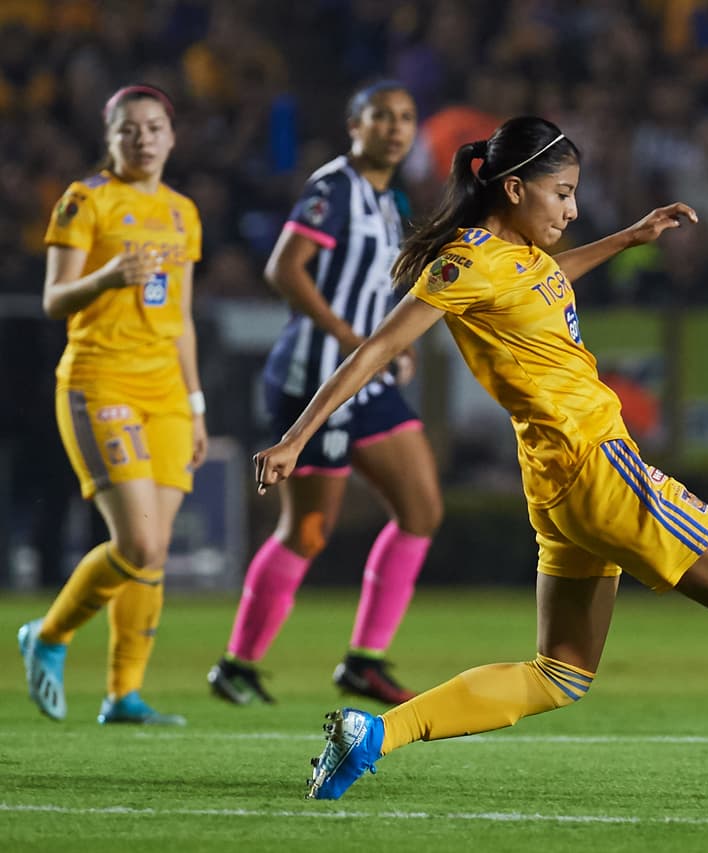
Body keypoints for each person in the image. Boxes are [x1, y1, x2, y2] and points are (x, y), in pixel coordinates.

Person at [253, 116, 708, 809]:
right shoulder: (466, 264)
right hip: (601, 468)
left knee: (560, 673)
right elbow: (379, 346)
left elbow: (545, 281)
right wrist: (296, 436)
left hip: (556, 485)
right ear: (513, 188)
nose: (571, 210)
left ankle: (375, 735)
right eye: (561, 194)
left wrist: (626, 238)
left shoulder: (516, 258)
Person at [207, 82, 444, 707]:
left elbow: (370, 286)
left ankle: (365, 661)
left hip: (366, 379)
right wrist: (351, 338)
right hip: (315, 377)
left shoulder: (387, 199)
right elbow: (284, 268)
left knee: (421, 509)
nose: (395, 128)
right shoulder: (334, 186)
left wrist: (396, 340)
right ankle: (237, 665)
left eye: (405, 118)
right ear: (353, 125)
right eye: (381, 117)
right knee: (308, 530)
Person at [18, 84, 205, 726]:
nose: (143, 138)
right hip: (101, 381)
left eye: (154, 127)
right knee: (137, 542)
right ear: (111, 137)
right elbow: (54, 298)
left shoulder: (183, 212)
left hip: (168, 396)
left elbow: (181, 317)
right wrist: (107, 277)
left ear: (172, 136)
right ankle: (47, 635)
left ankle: (123, 694)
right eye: (130, 129)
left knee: (156, 549)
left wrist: (198, 403)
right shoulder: (84, 200)